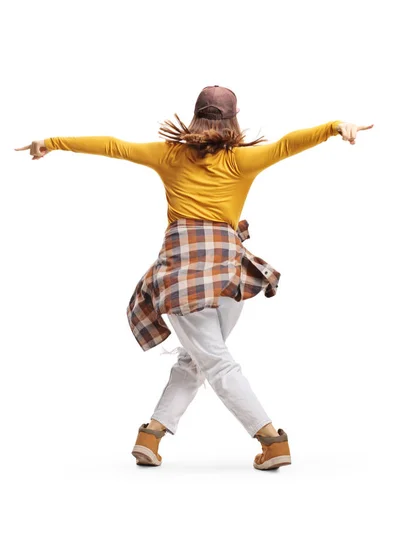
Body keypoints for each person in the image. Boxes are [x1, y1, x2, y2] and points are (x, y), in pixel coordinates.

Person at [15, 85, 374, 470]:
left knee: (215, 361)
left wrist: (50, 142)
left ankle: (271, 441)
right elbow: (288, 144)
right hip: (230, 275)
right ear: (235, 119)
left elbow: (113, 146)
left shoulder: (168, 155)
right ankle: (151, 436)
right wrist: (336, 126)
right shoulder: (243, 160)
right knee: (197, 359)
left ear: (194, 115)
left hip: (184, 277)